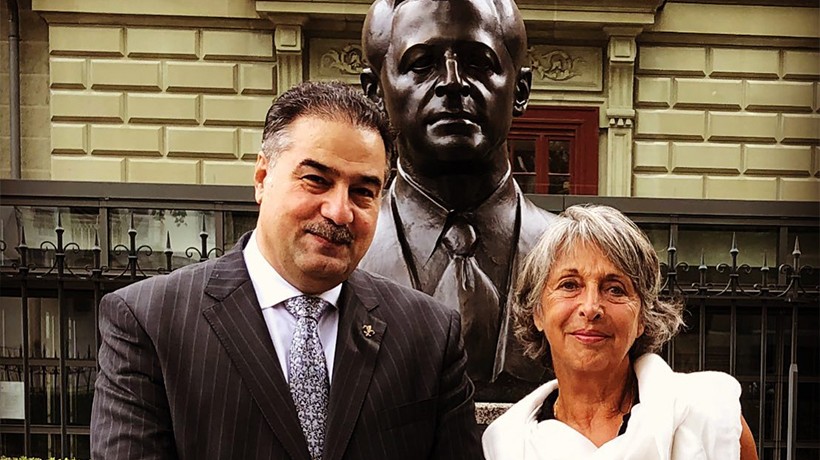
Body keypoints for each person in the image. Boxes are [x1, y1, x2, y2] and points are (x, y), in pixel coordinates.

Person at [90, 81, 481, 460]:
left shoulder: (429, 334)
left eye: (363, 191)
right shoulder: (150, 322)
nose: (339, 211)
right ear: (262, 178)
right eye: (316, 180)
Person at [359, 0, 556, 396]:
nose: (452, 82)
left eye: (478, 62)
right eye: (421, 64)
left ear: (520, 90)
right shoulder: (344, 253)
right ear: (375, 93)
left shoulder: (569, 253)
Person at [482, 204, 759, 459]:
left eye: (615, 289)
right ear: (537, 312)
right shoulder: (507, 443)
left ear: (642, 318)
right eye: (569, 285)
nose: (591, 308)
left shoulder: (711, 417)